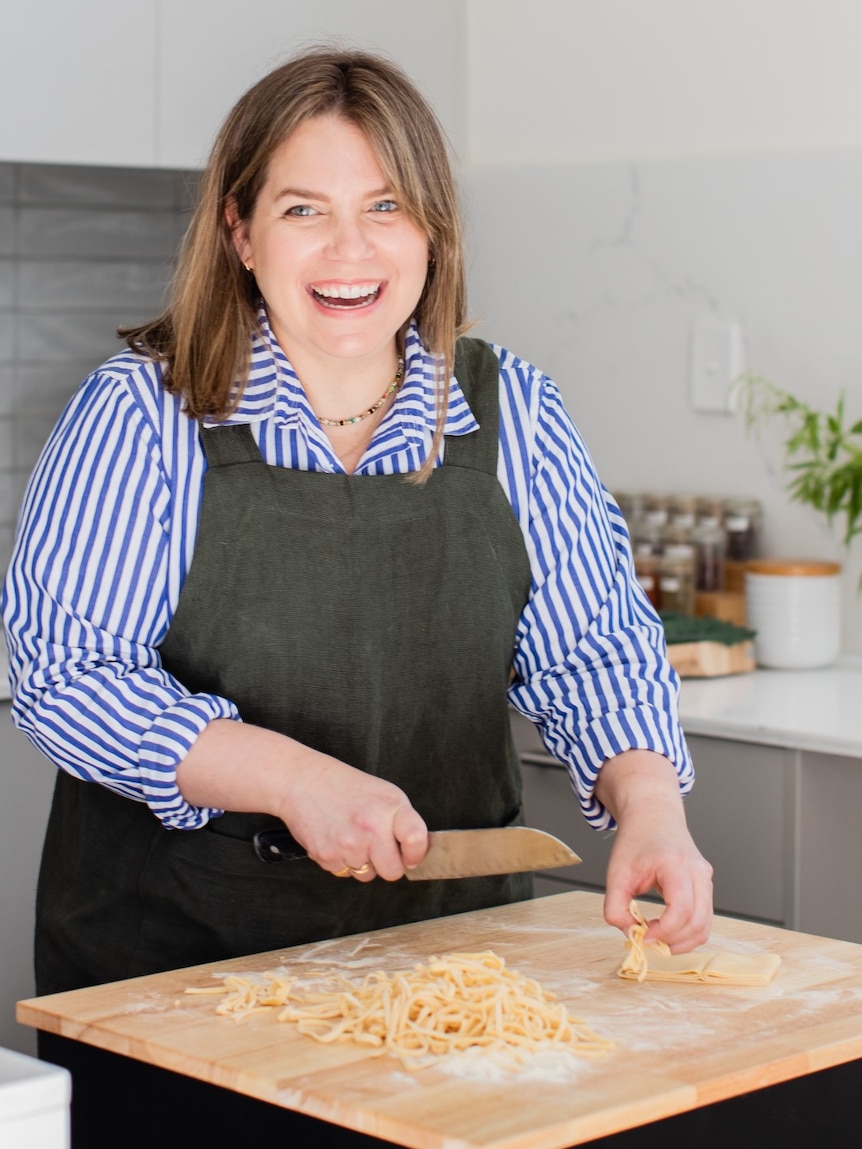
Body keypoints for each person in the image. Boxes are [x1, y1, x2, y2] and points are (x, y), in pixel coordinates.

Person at [2, 46, 712, 1143]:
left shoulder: (510, 406)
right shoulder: (145, 413)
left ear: (431, 229)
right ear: (240, 232)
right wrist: (288, 778)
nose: (350, 248)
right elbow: (61, 670)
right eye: (303, 209)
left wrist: (651, 807)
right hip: (178, 982)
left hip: (448, 980)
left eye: (386, 205)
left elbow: (593, 647)